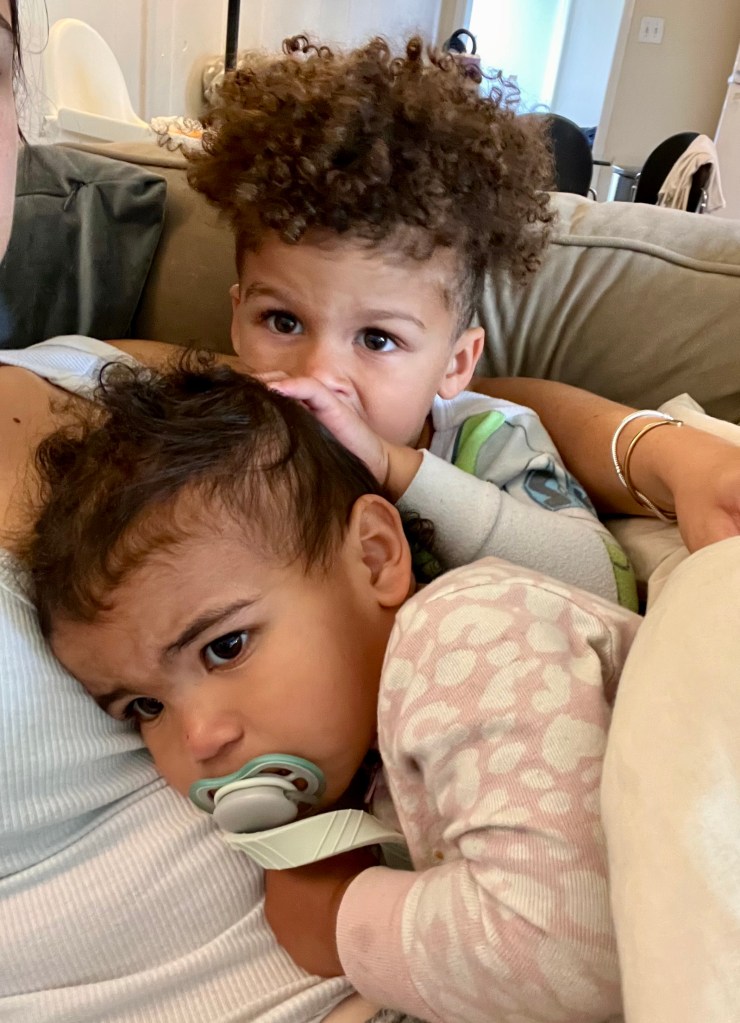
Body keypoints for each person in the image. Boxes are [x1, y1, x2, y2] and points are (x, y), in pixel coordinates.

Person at [21, 356, 640, 1023]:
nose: (200, 739)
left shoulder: (469, 632)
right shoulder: (367, 750)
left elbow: (574, 952)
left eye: (225, 647)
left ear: (374, 557)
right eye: (145, 707)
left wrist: (343, 918)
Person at [0, 5, 374, 1021]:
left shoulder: (101, 377)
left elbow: (404, 408)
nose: (199, 741)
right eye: (140, 708)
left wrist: (648, 448)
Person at [186, 36, 637, 610]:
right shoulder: (223, 425)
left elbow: (608, 584)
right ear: (237, 319)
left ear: (456, 364)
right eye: (282, 321)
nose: (318, 374)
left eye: (377, 339)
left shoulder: (491, 443)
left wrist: (393, 467)